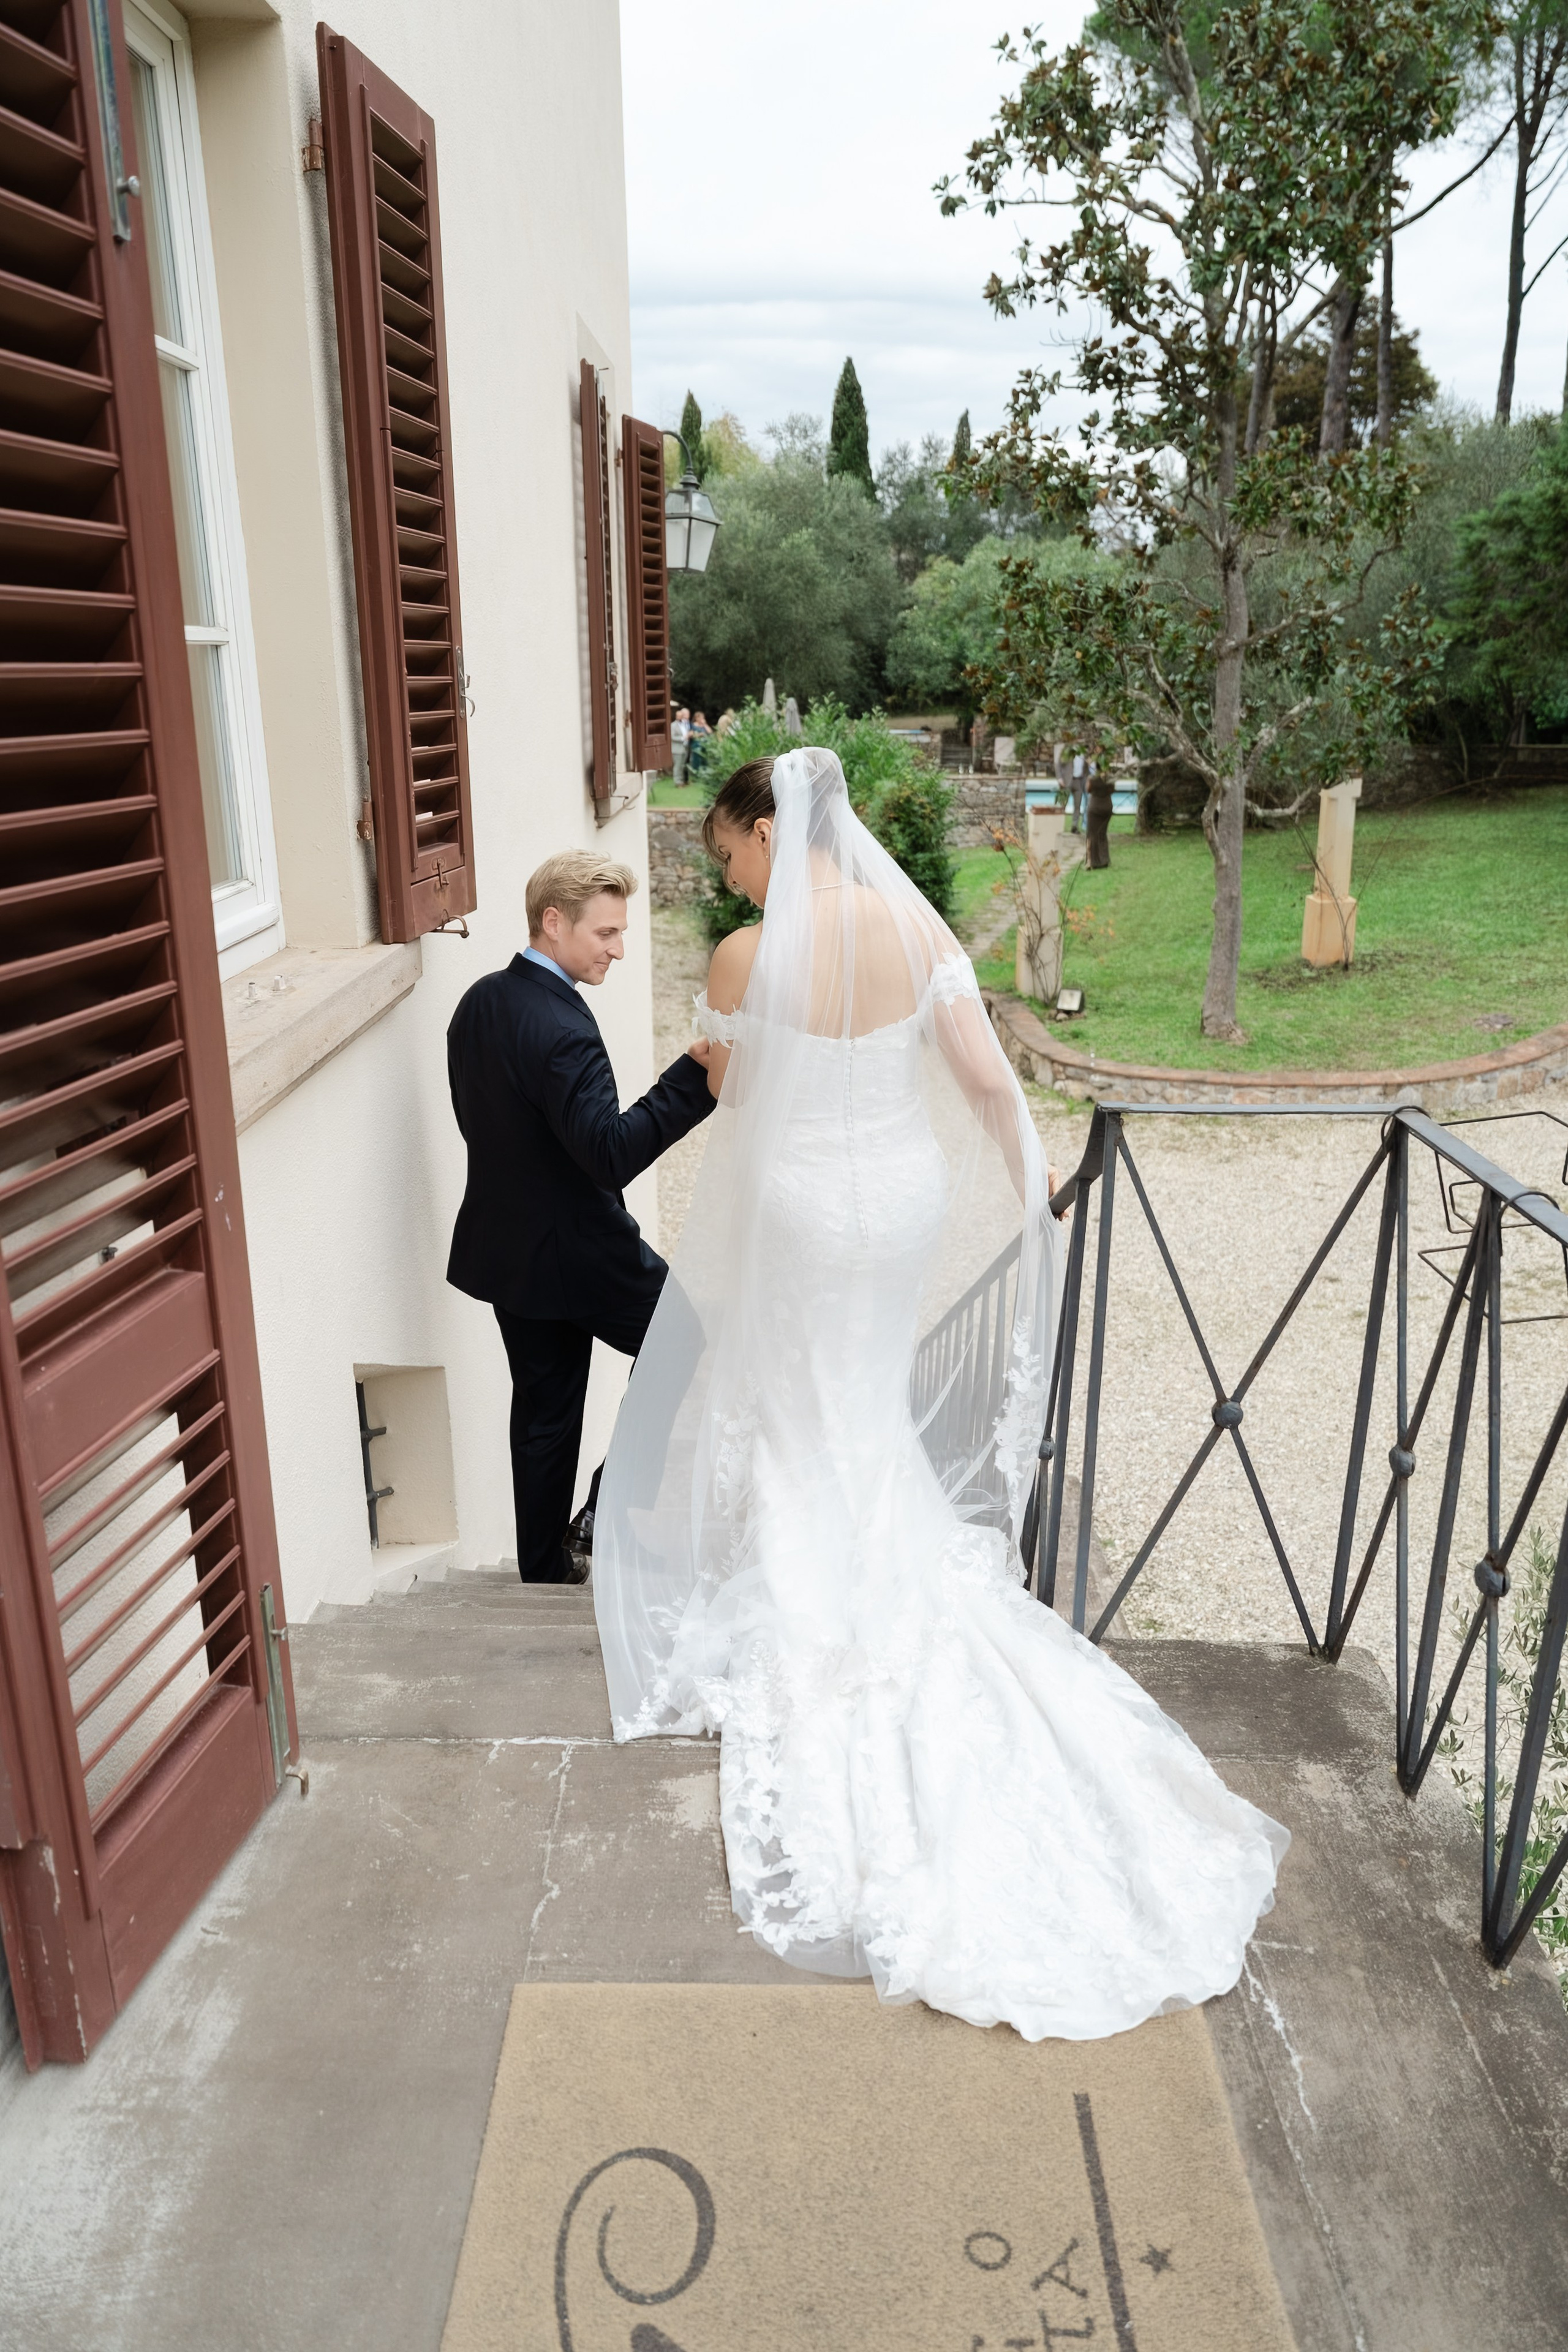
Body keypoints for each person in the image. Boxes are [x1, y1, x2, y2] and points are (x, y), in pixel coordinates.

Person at [593, 749, 1287, 2041]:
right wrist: (1034, 1208)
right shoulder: (912, 932)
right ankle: (891, 1560)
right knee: (857, 1392)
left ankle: (832, 1582)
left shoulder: (749, 959)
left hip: (804, 1204)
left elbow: (734, 1086)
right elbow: (983, 1084)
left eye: (727, 850)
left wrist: (711, 1054)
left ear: (762, 830)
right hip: (900, 1199)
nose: (724, 872)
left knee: (807, 1405)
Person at [446, 852, 716, 1583]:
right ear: (553, 922)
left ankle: (543, 1569)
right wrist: (694, 1077)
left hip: (508, 1248)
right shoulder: (563, 1027)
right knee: (681, 1339)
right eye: (606, 933)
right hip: (581, 1249)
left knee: (542, 1413)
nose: (618, 950)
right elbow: (609, 1157)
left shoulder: (478, 1001)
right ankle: (607, 1507)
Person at [687, 709, 712, 780]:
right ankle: (696, 776)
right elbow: (691, 735)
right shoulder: (693, 726)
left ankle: (705, 775)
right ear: (697, 718)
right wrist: (699, 735)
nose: (702, 719)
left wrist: (705, 724)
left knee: (705, 760)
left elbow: (710, 732)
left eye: (703, 717)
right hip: (696, 745)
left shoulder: (704, 726)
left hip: (704, 745)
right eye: (700, 718)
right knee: (696, 761)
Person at [671, 707, 690, 788]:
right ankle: (677, 782)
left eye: (682, 716)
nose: (680, 717)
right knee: (677, 766)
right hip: (677, 749)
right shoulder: (673, 725)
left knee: (682, 766)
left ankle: (682, 781)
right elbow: (672, 737)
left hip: (685, 748)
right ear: (676, 716)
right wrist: (683, 738)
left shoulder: (684, 725)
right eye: (679, 716)